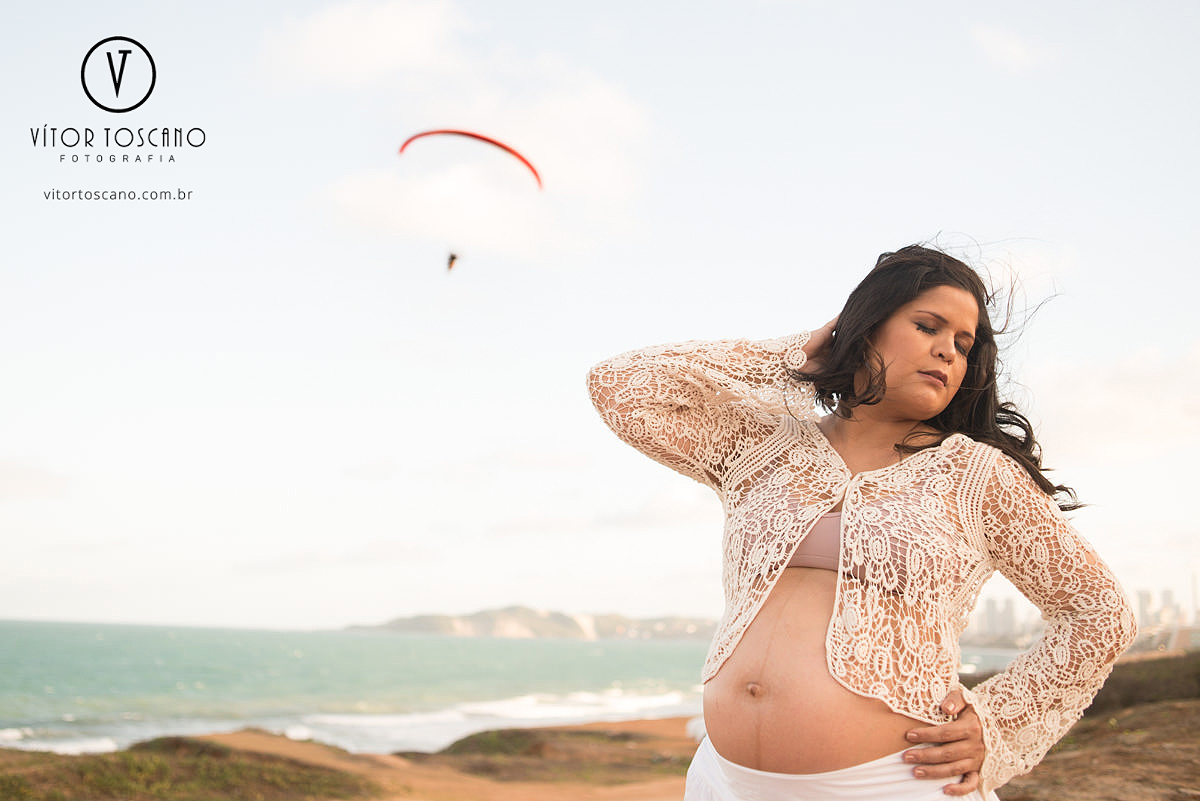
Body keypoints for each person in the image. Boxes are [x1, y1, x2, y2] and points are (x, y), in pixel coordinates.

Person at [587, 245, 1137, 801]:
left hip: (894, 785)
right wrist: (797, 357)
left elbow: (1099, 613)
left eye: (963, 346)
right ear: (866, 328)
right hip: (726, 783)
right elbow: (620, 387)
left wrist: (996, 723)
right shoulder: (763, 446)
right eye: (928, 326)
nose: (947, 351)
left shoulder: (976, 476)